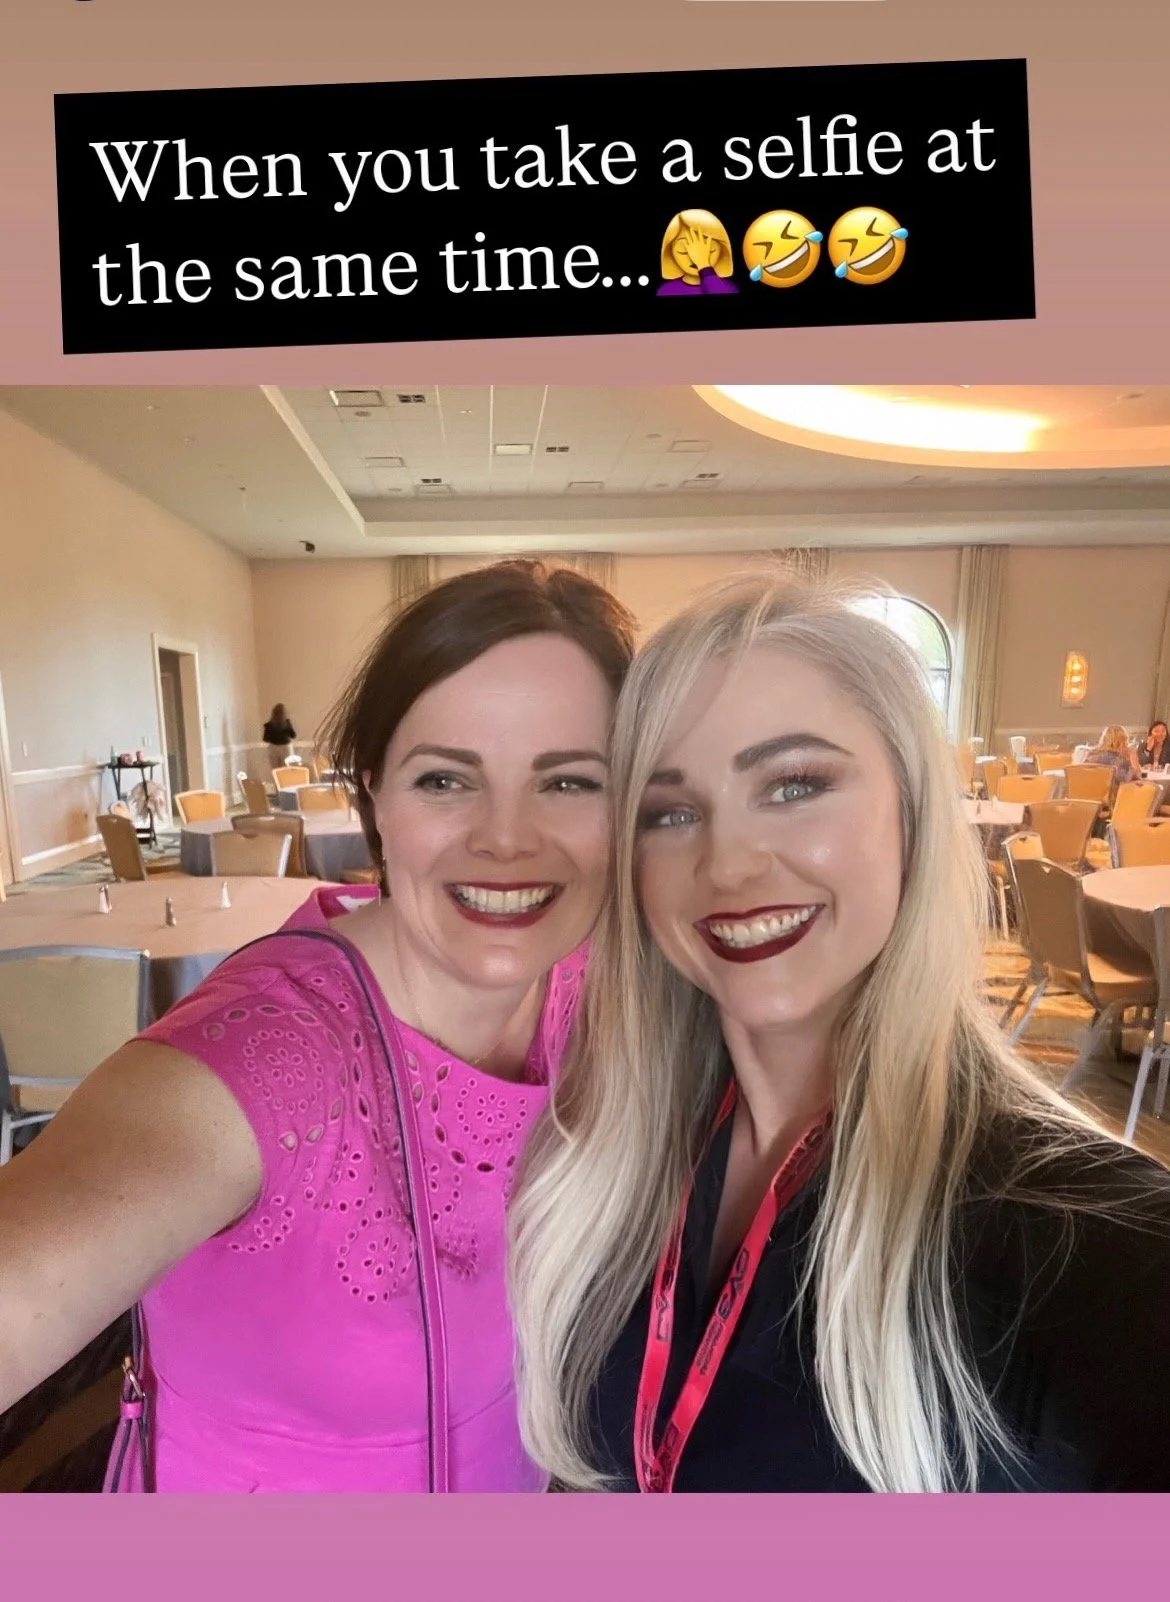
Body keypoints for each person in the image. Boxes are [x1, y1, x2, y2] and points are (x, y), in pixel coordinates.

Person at [508, 571, 1170, 1493]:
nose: (729, 865)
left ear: (909, 807)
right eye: (670, 812)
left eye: (794, 785)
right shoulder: (607, 1169)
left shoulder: (1093, 1236)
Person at [0, 560, 635, 1491]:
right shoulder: (256, 1064)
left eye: (571, 783)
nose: (507, 838)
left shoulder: (602, 991)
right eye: (446, 780)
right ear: (374, 792)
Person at [657, 211, 739, 297]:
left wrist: (704, 265)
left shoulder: (729, 288)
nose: (695, 258)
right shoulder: (666, 291)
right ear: (670, 253)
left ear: (723, 250)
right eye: (684, 251)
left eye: (708, 250)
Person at [1082, 724, 1140, 796]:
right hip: (1114, 798)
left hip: (1087, 796)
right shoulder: (1121, 759)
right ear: (1123, 740)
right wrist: (1133, 758)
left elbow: (1082, 774)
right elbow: (1131, 779)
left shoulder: (1092, 754)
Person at [262, 702, 297, 768]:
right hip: (286, 747)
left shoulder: (269, 725)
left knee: (275, 770)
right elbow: (293, 735)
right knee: (287, 769)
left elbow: (265, 739)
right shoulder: (287, 723)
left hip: (273, 747)